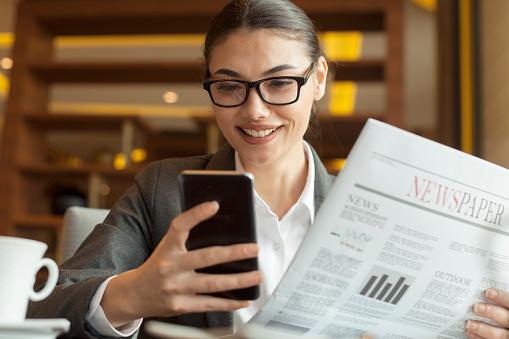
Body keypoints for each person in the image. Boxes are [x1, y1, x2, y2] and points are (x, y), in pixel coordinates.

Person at [26, 1, 509, 338]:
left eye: (280, 83)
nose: (255, 111)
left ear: (317, 79)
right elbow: (42, 306)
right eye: (231, 86)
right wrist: (134, 293)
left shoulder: (375, 206)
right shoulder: (163, 189)